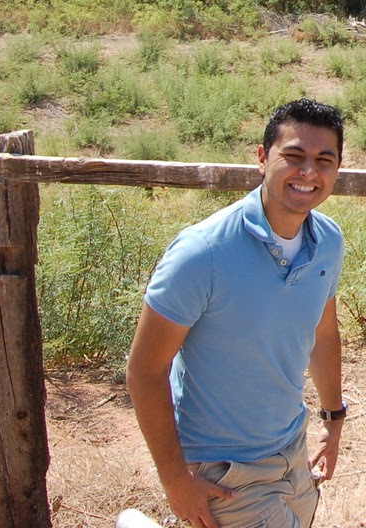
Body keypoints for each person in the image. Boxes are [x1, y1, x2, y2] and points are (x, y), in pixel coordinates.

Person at [127, 98, 348, 528]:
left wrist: (332, 418)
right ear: (262, 158)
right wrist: (176, 481)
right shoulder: (203, 252)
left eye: (324, 160)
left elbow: (322, 333)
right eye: (294, 156)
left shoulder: (327, 242)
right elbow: (144, 370)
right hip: (226, 471)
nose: (309, 172)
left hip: (292, 453)